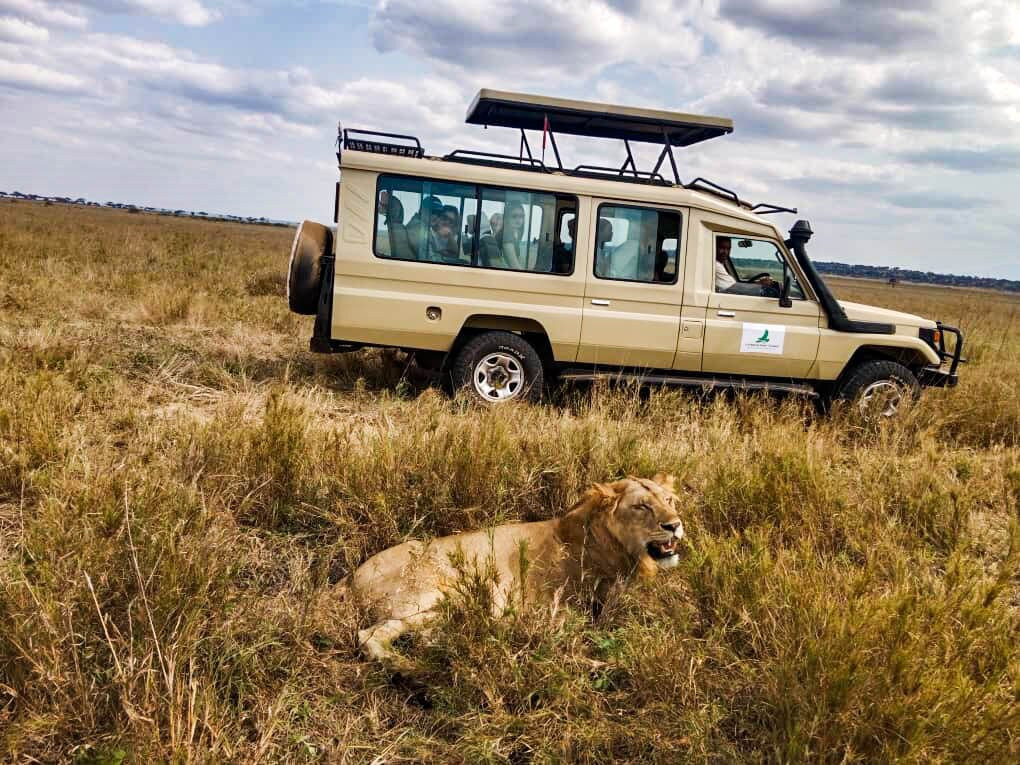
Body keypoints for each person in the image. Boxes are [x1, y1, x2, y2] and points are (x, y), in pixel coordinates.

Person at [714, 236, 779, 296]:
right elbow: (734, 288)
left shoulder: (720, 264)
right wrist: (761, 284)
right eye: (722, 248)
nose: (725, 252)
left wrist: (758, 282)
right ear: (714, 247)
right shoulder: (715, 265)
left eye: (728, 249)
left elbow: (734, 285)